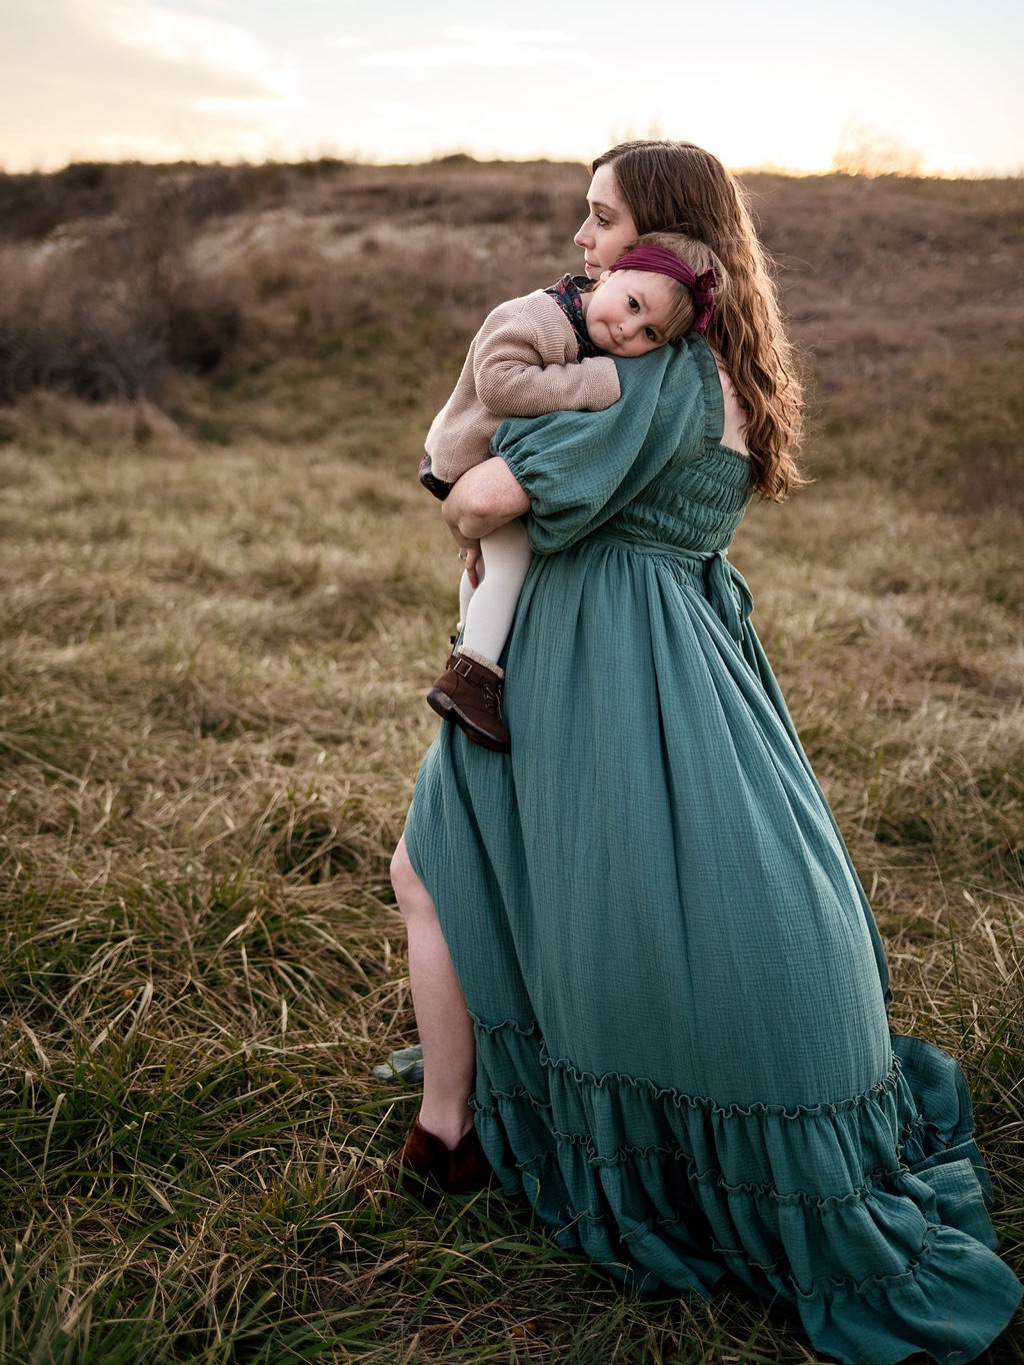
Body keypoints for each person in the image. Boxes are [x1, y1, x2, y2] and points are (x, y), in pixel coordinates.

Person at [386, 141, 1022, 1362]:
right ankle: (459, 1115)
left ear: (661, 239)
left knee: (451, 867)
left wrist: (483, 446)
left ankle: (454, 1127)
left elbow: (474, 504)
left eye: (600, 220)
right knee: (532, 874)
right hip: (679, 639)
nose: (580, 243)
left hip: (604, 657)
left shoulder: (658, 379)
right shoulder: (717, 360)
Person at [421, 232, 725, 753]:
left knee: (490, 566)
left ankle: (467, 645)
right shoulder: (535, 316)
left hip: (489, 457)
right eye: (632, 304)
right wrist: (590, 383)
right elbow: (499, 386)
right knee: (510, 566)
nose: (627, 329)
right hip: (467, 455)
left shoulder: (582, 325)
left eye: (649, 333)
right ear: (611, 273)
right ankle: (471, 678)